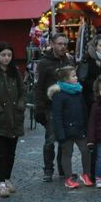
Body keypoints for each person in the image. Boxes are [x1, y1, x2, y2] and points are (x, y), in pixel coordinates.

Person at [0, 41, 25, 198]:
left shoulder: (15, 72)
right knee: (1, 152)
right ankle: (1, 182)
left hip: (15, 117)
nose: (6, 58)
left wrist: (20, 106)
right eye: (3, 55)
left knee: (11, 152)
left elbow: (23, 91)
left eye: (9, 55)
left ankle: (7, 178)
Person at [35, 32, 74, 181]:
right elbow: (38, 87)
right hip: (50, 107)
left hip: (67, 106)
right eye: (60, 44)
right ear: (52, 44)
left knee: (64, 140)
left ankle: (62, 168)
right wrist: (39, 109)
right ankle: (48, 170)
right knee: (50, 140)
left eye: (65, 44)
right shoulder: (44, 63)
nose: (63, 46)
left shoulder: (69, 61)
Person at [49, 65, 92, 189]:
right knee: (67, 154)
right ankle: (68, 178)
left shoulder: (78, 91)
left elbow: (84, 110)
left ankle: (86, 174)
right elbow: (57, 116)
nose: (76, 77)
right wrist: (60, 133)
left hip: (80, 129)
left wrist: (86, 125)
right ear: (65, 80)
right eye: (73, 76)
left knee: (86, 150)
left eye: (75, 75)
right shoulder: (59, 95)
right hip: (66, 131)